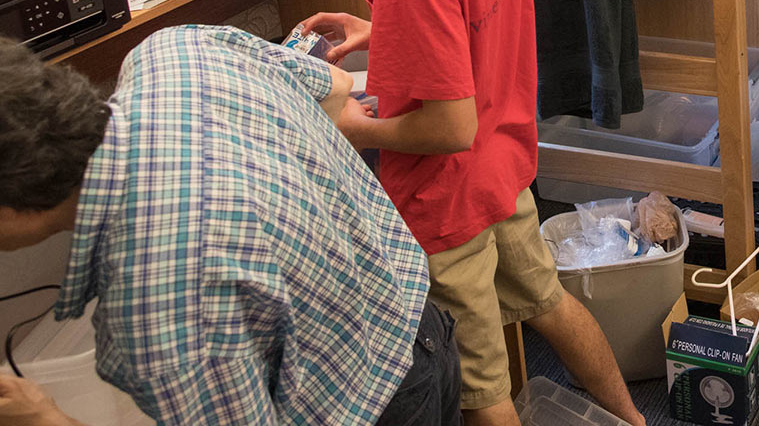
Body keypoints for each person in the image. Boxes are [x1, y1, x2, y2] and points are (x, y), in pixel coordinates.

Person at [254, 0, 644, 426]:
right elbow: (476, 11)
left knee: (482, 385)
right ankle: (635, 421)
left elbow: (446, 128)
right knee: (549, 301)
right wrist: (380, 28)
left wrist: (350, 125)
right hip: (505, 164)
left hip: (445, 197)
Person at [0, 26, 459, 426]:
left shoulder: (154, 305)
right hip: (414, 318)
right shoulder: (172, 51)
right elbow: (335, 83)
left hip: (368, 405)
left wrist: (47, 418)